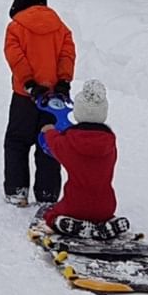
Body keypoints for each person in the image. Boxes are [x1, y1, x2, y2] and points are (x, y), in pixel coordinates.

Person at [2, 0, 74, 207]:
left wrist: (30, 84)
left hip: (25, 97)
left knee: (16, 142)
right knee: (50, 144)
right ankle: (47, 193)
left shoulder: (16, 27)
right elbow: (67, 54)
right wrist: (63, 81)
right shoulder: (60, 27)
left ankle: (17, 190)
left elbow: (15, 58)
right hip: (54, 99)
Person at [37, 80, 116, 225]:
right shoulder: (110, 145)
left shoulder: (69, 143)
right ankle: (108, 226)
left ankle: (67, 225)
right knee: (101, 208)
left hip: (75, 205)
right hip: (106, 207)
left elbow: (54, 144)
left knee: (51, 215)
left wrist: (49, 131)